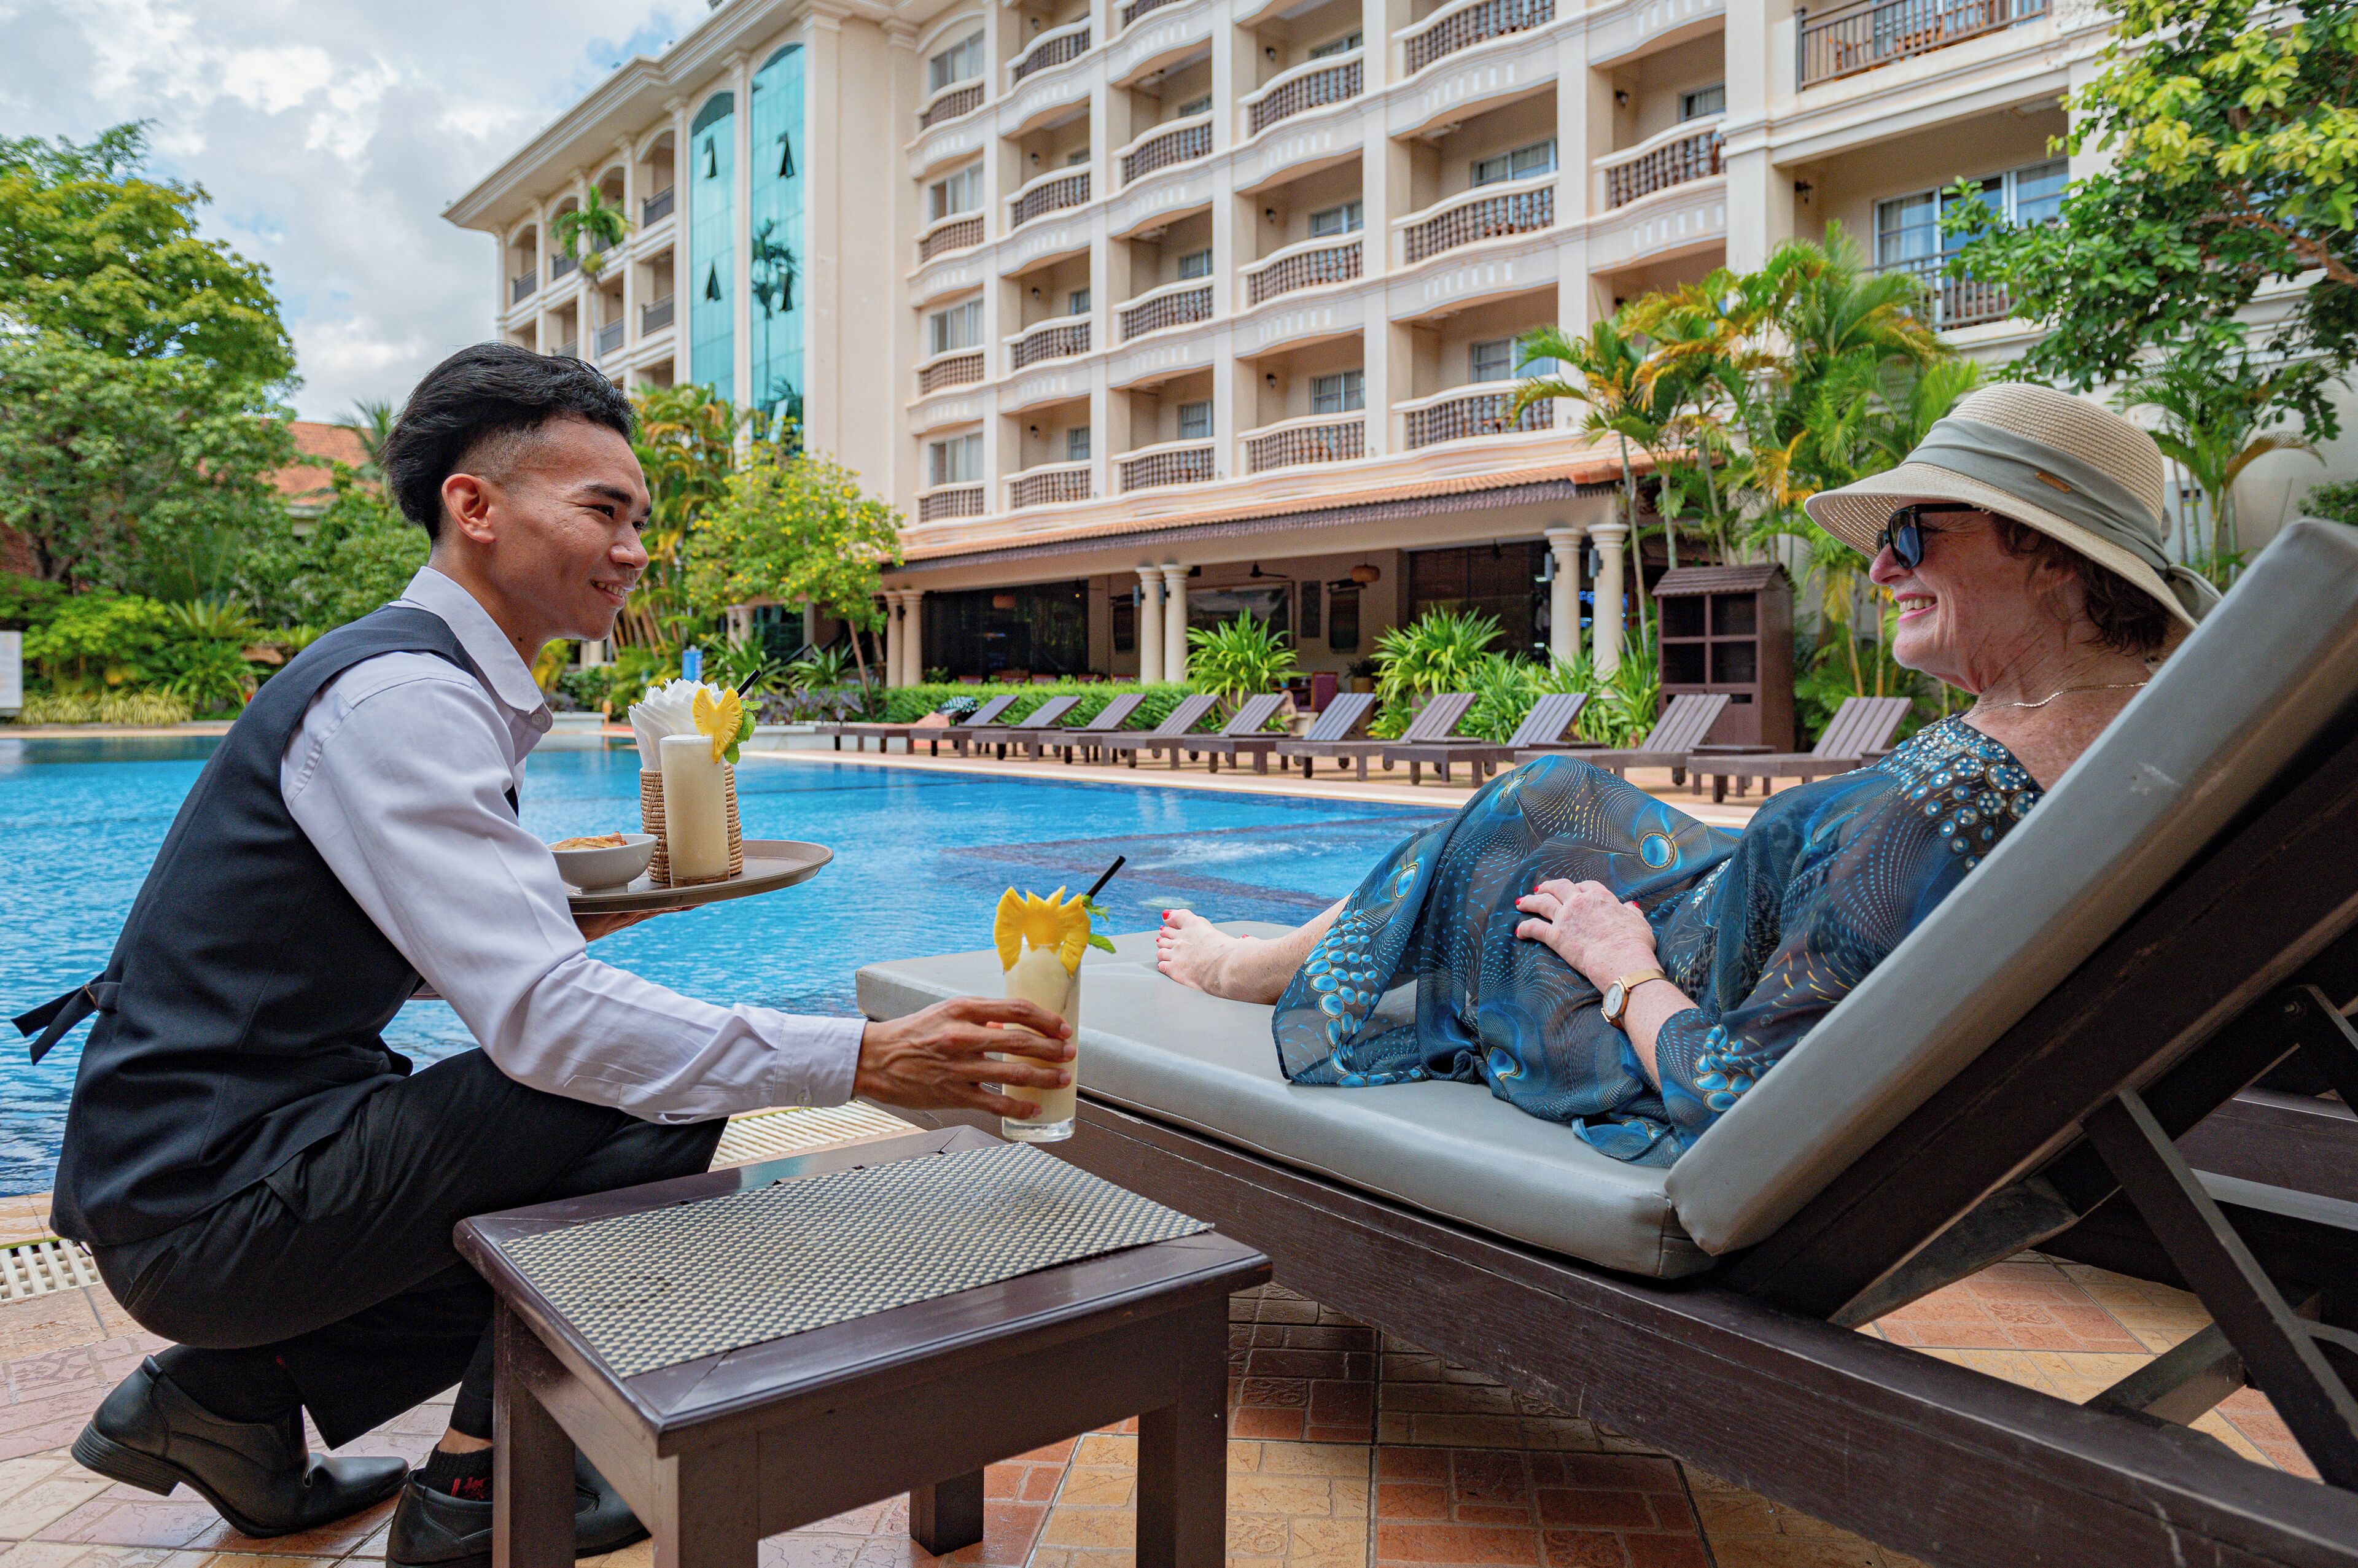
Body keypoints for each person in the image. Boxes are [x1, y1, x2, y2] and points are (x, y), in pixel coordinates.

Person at [13, 345, 1074, 1568]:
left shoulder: (418, 677)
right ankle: (484, 1486)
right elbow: (550, 1032)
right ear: (475, 507)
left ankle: (228, 1402)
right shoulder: (401, 699)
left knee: (630, 1087)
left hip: (204, 1173)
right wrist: (865, 1056)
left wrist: (566, 920)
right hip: (208, 1205)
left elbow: (347, 951)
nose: (632, 549)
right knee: (635, 1093)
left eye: (639, 519)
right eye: (602, 511)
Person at [1156, 383, 2219, 1163]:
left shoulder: (1952, 800)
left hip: (1647, 997)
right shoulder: (2123, 744)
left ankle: (1249, 969)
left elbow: (1737, 1087)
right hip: (1711, 908)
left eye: (1911, 532)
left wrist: (1621, 966)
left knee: (1507, 835)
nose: (1883, 567)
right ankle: (1265, 955)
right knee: (1549, 794)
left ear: (2046, 551)